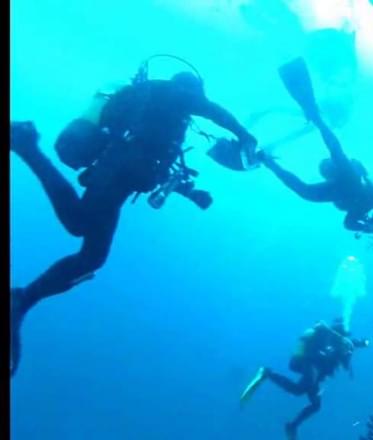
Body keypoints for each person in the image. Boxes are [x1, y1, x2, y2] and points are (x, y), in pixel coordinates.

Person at [9, 69, 257, 376]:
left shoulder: (163, 113)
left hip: (121, 175)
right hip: (116, 172)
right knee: (80, 229)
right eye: (196, 95)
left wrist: (190, 194)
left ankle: (22, 300)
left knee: (91, 255)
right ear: (190, 88)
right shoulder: (170, 92)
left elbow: (159, 164)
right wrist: (244, 135)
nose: (197, 102)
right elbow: (212, 111)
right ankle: (27, 146)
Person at [208, 57, 373, 235]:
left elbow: (348, 224)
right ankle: (314, 118)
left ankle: (278, 152)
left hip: (341, 186)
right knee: (333, 152)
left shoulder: (362, 210)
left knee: (311, 185)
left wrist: (367, 227)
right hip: (349, 180)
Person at [239, 318, 369, 440]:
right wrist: (341, 339)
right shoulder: (330, 336)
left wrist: (363, 343)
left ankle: (292, 425)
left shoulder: (344, 343)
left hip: (317, 373)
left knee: (315, 404)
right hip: (312, 363)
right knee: (300, 390)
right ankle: (267, 373)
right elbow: (323, 329)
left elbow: (356, 344)